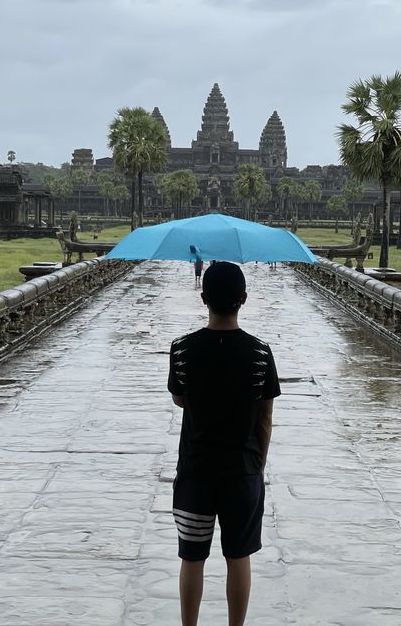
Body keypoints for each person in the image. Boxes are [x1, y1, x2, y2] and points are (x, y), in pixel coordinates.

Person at [168, 262, 281, 626]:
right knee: (238, 556)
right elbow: (264, 418)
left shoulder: (182, 349)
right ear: (243, 299)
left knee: (192, 557)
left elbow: (180, 399)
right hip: (242, 472)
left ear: (204, 299)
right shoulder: (260, 353)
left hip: (196, 472)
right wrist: (257, 466)